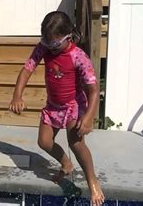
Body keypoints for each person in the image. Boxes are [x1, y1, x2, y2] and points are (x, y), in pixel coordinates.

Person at [9, 11, 104, 205]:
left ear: (68, 36)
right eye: (46, 42)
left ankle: (92, 181)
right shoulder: (44, 47)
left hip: (73, 105)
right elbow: (27, 69)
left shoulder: (79, 57)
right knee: (44, 142)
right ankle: (66, 163)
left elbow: (94, 90)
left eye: (54, 44)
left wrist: (88, 118)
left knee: (75, 143)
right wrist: (17, 95)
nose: (50, 48)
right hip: (53, 106)